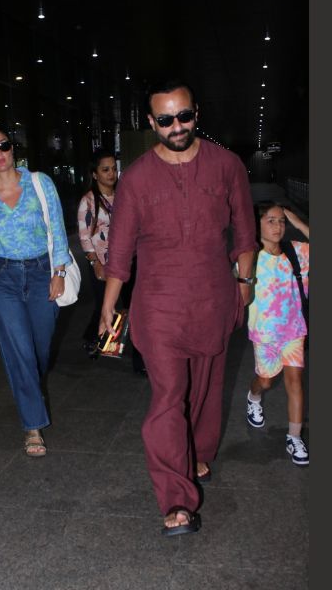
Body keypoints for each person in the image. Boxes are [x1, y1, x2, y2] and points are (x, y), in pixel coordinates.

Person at [99, 80, 257, 536]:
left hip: (214, 298)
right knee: (169, 396)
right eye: (166, 120)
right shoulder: (136, 178)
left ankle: (198, 454)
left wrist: (244, 284)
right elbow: (120, 250)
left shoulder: (227, 166)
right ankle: (176, 497)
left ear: (196, 114)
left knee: (206, 390)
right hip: (158, 305)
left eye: (184, 116)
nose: (177, 127)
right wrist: (109, 305)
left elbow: (245, 233)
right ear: (152, 123)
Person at [0, 125, 71, 457]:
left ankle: (30, 388)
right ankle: (33, 426)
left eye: (3, 145)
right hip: (1, 278)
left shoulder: (40, 183)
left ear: (12, 148)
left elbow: (58, 231)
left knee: (39, 352)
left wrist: (59, 272)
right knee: (18, 351)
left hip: (41, 274)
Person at [245, 202, 310, 465]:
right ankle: (253, 397)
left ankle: (294, 437)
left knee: (295, 381)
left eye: (281, 221)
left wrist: (297, 221)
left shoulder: (295, 253)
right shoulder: (250, 258)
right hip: (265, 334)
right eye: (270, 221)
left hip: (294, 330)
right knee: (266, 381)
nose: (278, 226)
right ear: (257, 224)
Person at [77, 149, 146, 372]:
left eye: (113, 169)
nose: (111, 174)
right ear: (95, 174)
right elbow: (84, 237)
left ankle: (140, 360)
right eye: (105, 170)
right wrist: (95, 263)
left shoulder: (124, 196)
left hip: (129, 261)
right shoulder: (88, 201)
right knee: (103, 306)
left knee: (134, 308)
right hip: (103, 264)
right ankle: (92, 336)